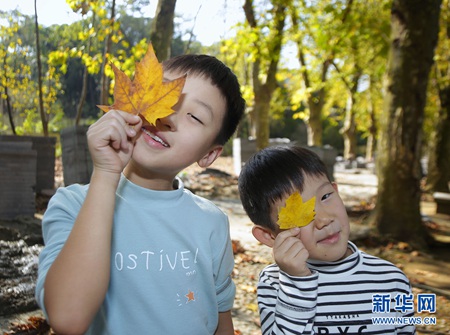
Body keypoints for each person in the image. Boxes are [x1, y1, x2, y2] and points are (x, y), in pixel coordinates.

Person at [35, 53, 246, 335]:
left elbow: (221, 320)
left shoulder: (212, 223)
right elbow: (68, 318)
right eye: (163, 95)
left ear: (209, 154)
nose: (167, 116)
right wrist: (106, 174)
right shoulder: (73, 205)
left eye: (194, 116)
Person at [238, 145, 416, 334]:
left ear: (336, 191)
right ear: (269, 235)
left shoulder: (390, 280)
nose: (323, 219)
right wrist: (296, 283)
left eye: (325, 196)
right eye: (300, 214)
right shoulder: (275, 283)